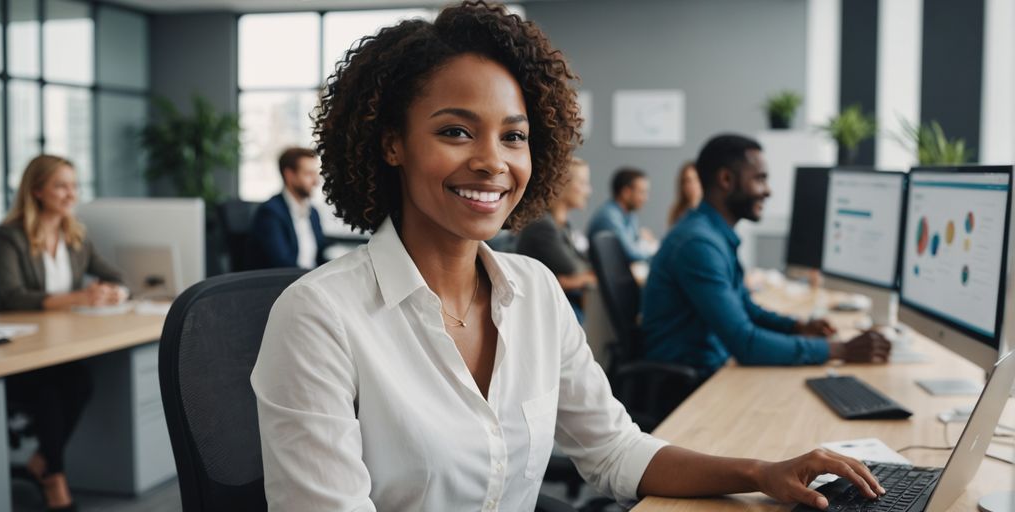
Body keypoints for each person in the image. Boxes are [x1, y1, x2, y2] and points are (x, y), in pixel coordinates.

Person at [250, 4, 884, 511]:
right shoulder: (319, 317)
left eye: (514, 136)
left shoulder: (534, 291)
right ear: (392, 144)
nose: (492, 161)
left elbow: (613, 451)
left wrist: (762, 473)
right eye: (455, 130)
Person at [641, 134, 890, 381]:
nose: (768, 191)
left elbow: (746, 309)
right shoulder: (698, 244)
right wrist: (842, 350)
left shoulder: (711, 235)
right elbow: (745, 343)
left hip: (712, 370)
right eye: (760, 179)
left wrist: (797, 327)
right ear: (726, 179)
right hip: (687, 387)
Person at [0, 154, 128, 511]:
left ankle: (42, 461)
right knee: (54, 388)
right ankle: (55, 482)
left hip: (59, 340)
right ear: (37, 191)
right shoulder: (9, 236)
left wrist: (113, 292)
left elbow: (115, 275)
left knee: (79, 381)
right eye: (61, 186)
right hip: (19, 348)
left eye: (74, 185)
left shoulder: (75, 234)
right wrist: (78, 296)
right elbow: (11, 294)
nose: (71, 194)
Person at [515, 157, 595, 323]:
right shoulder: (542, 225)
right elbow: (573, 267)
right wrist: (578, 279)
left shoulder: (563, 225)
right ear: (562, 184)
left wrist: (574, 280)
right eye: (583, 183)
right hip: (541, 312)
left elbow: (585, 265)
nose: (588, 191)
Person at [249, 147, 328, 269]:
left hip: (311, 280)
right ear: (290, 175)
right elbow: (282, 263)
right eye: (308, 174)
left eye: (315, 174)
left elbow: (320, 255)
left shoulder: (313, 212)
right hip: (286, 283)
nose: (316, 181)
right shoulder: (270, 213)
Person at [586, 167, 655, 262]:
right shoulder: (609, 216)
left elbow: (635, 242)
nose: (646, 198)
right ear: (625, 192)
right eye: (642, 192)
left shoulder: (630, 214)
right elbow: (631, 253)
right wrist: (658, 254)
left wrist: (641, 238)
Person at [667, 160, 702, 227]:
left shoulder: (711, 209)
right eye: (687, 181)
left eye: (696, 179)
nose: (692, 185)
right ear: (682, 185)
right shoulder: (676, 211)